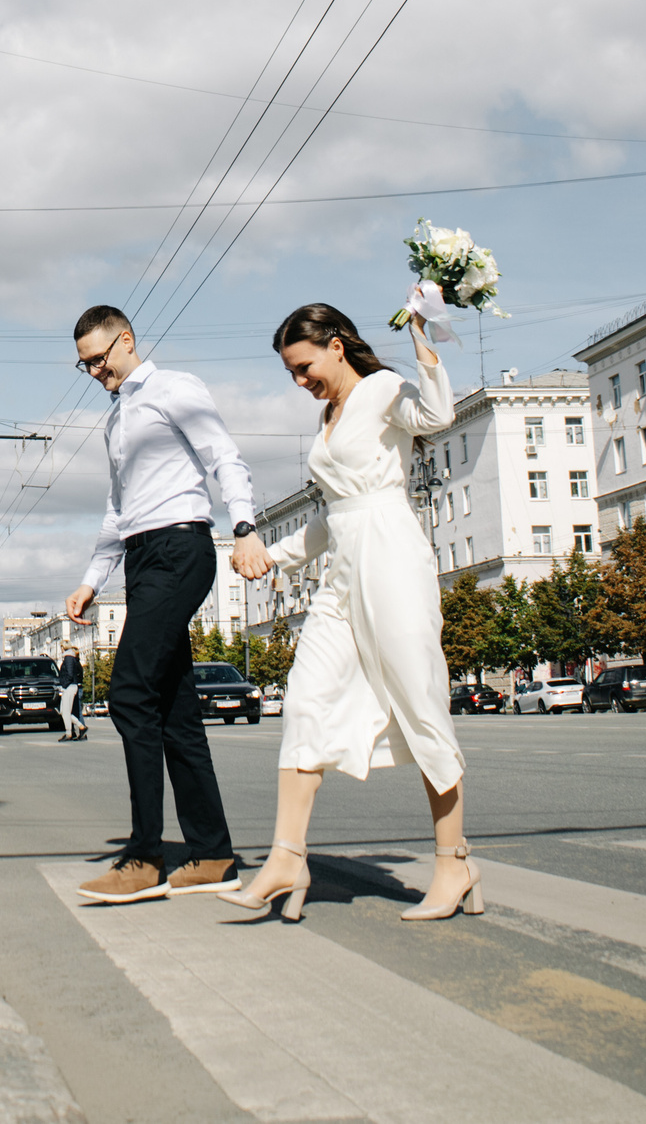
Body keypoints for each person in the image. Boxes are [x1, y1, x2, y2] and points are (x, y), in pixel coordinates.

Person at [220, 303, 480, 924]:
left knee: (420, 706)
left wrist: (423, 339)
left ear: (336, 346)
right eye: (290, 372)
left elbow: (439, 414)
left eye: (303, 366)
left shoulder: (383, 390)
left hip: (391, 562)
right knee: (306, 697)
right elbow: (332, 517)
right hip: (341, 576)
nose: (299, 380)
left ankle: (453, 862)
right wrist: (268, 555)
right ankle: (286, 856)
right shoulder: (329, 417)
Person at [65, 304, 252, 903]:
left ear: (126, 340)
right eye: (84, 365)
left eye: (100, 358)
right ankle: (214, 853)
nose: (95, 372)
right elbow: (117, 511)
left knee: (128, 692)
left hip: (182, 547)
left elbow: (225, 455)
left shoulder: (175, 388)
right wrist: (93, 580)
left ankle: (145, 857)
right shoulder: (115, 421)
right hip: (143, 558)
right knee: (174, 711)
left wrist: (244, 526)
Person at [58, 647, 87, 740]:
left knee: (66, 712)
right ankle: (81, 727)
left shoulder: (69, 658)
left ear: (63, 648)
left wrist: (64, 686)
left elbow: (70, 675)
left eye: (61, 647)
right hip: (70, 686)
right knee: (63, 711)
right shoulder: (70, 658)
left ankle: (69, 733)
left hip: (69, 687)